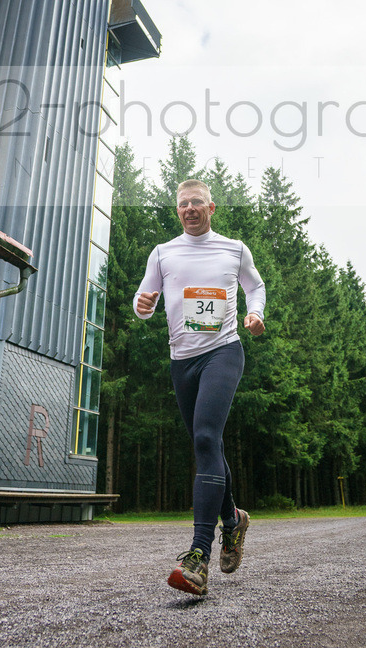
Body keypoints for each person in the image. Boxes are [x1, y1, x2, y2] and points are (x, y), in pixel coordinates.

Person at [134, 178, 266, 595]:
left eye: (198, 203)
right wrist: (142, 305)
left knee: (208, 437)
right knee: (206, 446)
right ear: (178, 211)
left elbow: (255, 286)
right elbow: (146, 296)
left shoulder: (234, 248)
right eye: (183, 204)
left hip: (223, 351)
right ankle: (233, 519)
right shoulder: (163, 252)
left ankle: (197, 557)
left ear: (212, 208)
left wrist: (254, 313)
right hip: (182, 361)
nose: (190, 209)